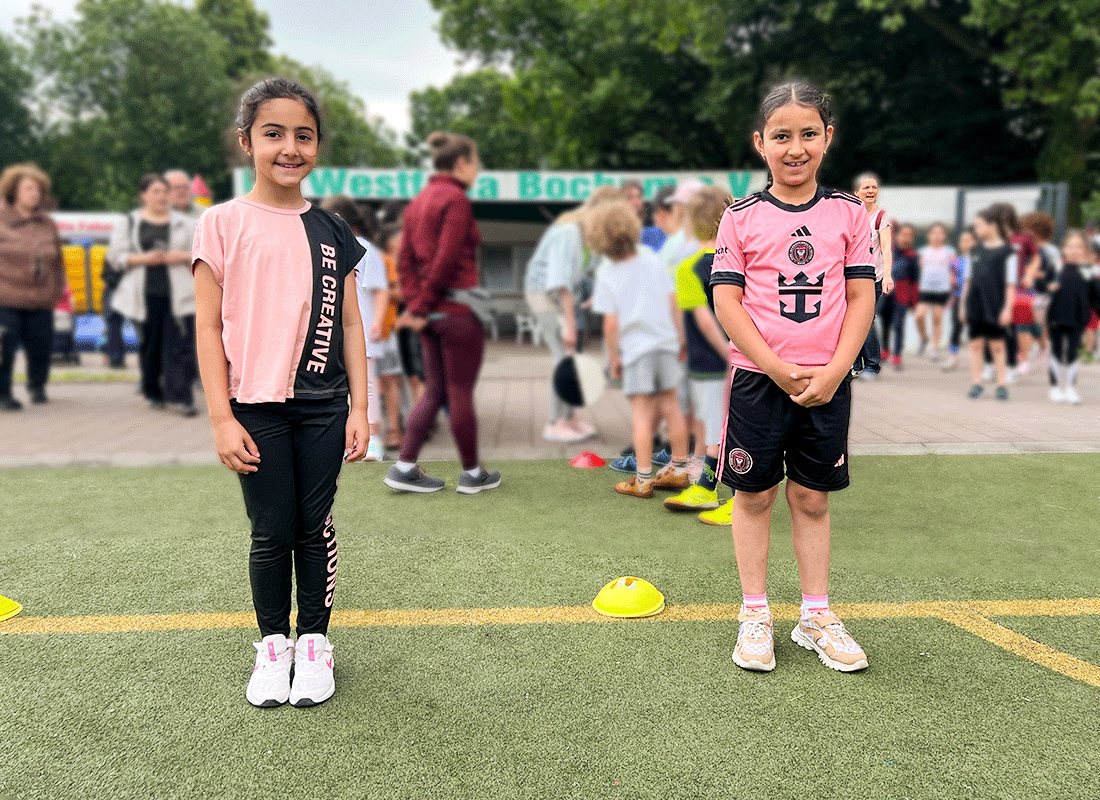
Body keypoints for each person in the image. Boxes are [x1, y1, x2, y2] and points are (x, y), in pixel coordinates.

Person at [192, 78, 369, 708]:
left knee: (311, 525)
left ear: (317, 146)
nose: (289, 148)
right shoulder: (220, 223)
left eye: (303, 135)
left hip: (323, 405)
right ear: (247, 142)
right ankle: (274, 644)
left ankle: (315, 642)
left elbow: (351, 323)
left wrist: (362, 410)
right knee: (271, 529)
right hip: (254, 404)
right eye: (273, 134)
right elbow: (208, 329)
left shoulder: (332, 231)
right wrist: (220, 417)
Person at [711, 82, 875, 673]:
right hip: (759, 380)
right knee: (753, 496)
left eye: (808, 134)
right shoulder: (740, 218)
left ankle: (815, 615)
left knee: (811, 498)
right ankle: (755, 613)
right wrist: (778, 369)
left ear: (828, 139)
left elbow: (861, 296)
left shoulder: (850, 215)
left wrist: (835, 370)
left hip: (827, 384)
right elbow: (728, 304)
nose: (795, 147)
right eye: (782, 136)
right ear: (761, 144)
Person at [383, 131, 500, 495]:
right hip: (457, 311)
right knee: (460, 391)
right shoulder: (456, 199)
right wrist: (423, 304)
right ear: (461, 162)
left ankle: (403, 466)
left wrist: (417, 306)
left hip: (429, 314)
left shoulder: (416, 202)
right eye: (476, 162)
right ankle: (472, 474)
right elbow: (446, 259)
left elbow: (405, 262)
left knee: (434, 391)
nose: (478, 169)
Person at [590, 199, 690, 498]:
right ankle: (680, 469)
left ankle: (643, 479)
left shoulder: (607, 272)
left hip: (636, 350)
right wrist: (680, 337)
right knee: (673, 407)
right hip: (666, 344)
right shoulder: (650, 257)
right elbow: (673, 301)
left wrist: (613, 357)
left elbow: (610, 324)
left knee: (641, 416)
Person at [662, 186, 735, 521]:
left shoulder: (687, 269)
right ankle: (708, 489)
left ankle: (732, 498)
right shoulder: (741, 265)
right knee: (730, 430)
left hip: (710, 365)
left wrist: (727, 354)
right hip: (748, 361)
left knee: (720, 433)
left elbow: (703, 321)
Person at [524, 190, 619, 443]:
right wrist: (569, 325)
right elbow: (560, 283)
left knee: (573, 357)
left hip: (566, 296)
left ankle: (570, 416)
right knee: (562, 359)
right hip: (545, 294)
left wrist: (596, 296)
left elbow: (600, 270)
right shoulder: (568, 233)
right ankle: (555, 422)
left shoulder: (590, 237)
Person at [107, 173, 198, 416]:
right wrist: (143, 259)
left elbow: (201, 252)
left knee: (179, 344)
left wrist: (178, 257)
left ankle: (181, 396)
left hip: (179, 293)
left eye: (164, 192)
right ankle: (152, 390)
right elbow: (115, 257)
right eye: (155, 192)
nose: (161, 197)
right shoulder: (130, 222)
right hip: (144, 294)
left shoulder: (185, 223)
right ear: (143, 195)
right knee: (151, 345)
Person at [322, 196, 388, 462]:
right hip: (332, 332)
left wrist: (377, 322)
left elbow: (380, 289)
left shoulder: (365, 249)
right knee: (337, 387)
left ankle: (371, 439)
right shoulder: (324, 247)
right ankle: (341, 440)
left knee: (368, 386)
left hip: (362, 330)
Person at [0, 162, 65, 410]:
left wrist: (57, 289)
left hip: (40, 298)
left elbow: (57, 260)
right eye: (28, 188)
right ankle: (3, 393)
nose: (34, 193)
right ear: (14, 190)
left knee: (41, 344)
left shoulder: (47, 223)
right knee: (5, 348)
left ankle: (37, 386)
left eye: (38, 189)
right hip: (5, 297)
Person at [962, 207, 1014, 400]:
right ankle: (977, 382)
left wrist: (1007, 308)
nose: (976, 229)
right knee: (975, 344)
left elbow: (1010, 285)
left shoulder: (1008, 252)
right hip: (975, 304)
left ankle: (1002, 383)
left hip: (995, 305)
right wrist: (962, 306)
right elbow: (967, 280)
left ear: (992, 226)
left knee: (997, 346)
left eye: (979, 225)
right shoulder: (974, 251)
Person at [852, 172, 892, 379]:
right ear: (856, 192)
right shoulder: (851, 215)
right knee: (849, 320)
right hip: (851, 278)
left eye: (874, 187)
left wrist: (887, 276)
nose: (870, 191)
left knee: (866, 320)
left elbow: (886, 248)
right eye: (866, 187)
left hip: (873, 278)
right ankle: (855, 363)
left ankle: (872, 365)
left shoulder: (880, 216)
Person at [1046, 230, 1092, 404]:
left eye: (1079, 247)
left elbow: (1096, 295)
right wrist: (1047, 286)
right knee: (1056, 350)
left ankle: (1071, 388)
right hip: (1056, 317)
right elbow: (1041, 285)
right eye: (1070, 246)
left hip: (1078, 318)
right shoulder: (1057, 267)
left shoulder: (1088, 270)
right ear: (1063, 249)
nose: (1074, 250)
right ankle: (1056, 387)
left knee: (1072, 352)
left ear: (1085, 250)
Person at [375, 223, 407, 450]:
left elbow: (401, 292)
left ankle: (393, 430)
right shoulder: (377, 257)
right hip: (365, 333)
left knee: (389, 380)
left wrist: (381, 290)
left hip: (386, 330)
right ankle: (373, 431)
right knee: (372, 383)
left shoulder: (385, 261)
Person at [913, 222, 956, 361]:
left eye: (940, 233)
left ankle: (935, 348)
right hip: (925, 289)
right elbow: (917, 270)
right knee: (919, 315)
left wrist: (953, 282)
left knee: (937, 318)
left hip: (942, 289)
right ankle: (924, 337)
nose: (937, 236)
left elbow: (954, 270)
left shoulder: (949, 252)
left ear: (944, 235)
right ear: (929, 235)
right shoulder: (922, 252)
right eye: (934, 233)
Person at [880, 223, 919, 370]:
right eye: (903, 235)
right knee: (885, 323)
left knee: (898, 325)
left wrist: (914, 302)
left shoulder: (913, 257)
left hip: (902, 295)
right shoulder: (889, 252)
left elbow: (915, 281)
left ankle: (897, 354)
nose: (906, 238)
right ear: (896, 236)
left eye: (909, 236)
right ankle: (885, 349)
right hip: (886, 294)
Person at [943, 229, 975, 371]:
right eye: (962, 241)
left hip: (976, 299)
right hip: (958, 298)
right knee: (956, 327)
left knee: (977, 330)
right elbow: (952, 278)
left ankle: (983, 360)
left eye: (968, 240)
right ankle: (953, 356)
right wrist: (952, 281)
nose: (965, 244)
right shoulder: (956, 262)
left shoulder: (978, 260)